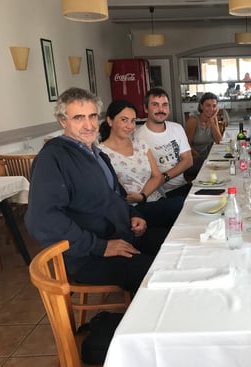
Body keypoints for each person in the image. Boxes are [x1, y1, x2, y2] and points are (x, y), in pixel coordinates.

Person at [25, 87, 164, 294]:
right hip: (88, 256)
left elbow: (115, 196)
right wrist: (100, 246)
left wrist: (134, 215)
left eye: (92, 116)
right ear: (63, 121)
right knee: (161, 275)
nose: (89, 125)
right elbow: (41, 220)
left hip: (122, 235)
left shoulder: (96, 154)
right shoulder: (53, 158)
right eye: (78, 118)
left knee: (175, 246)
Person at [98, 99, 183, 231]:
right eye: (124, 120)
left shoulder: (140, 145)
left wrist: (143, 196)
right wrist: (138, 199)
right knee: (183, 205)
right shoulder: (101, 153)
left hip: (155, 199)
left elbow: (157, 176)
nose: (130, 126)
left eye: (133, 121)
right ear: (110, 121)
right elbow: (114, 190)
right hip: (133, 210)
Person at [135, 88, 193, 199]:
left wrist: (164, 177)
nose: (161, 109)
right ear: (146, 108)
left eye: (165, 105)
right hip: (155, 194)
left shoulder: (177, 128)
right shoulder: (137, 137)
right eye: (155, 105)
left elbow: (188, 160)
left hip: (181, 187)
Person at [183, 92, 223, 178]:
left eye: (214, 106)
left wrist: (212, 120)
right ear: (201, 106)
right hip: (194, 159)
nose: (211, 109)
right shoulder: (193, 121)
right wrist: (201, 158)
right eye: (208, 105)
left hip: (208, 157)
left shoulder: (213, 119)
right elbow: (186, 146)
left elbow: (219, 141)